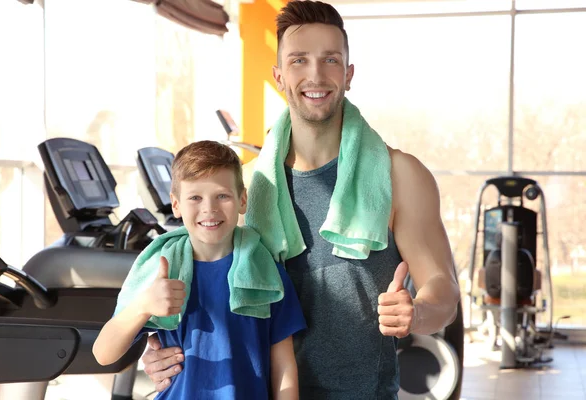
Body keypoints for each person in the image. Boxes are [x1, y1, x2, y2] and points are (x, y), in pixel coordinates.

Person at [141, 1, 460, 399]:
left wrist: (417, 311)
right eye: (298, 60)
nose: (315, 74)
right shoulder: (248, 187)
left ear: (348, 74)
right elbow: (214, 290)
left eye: (330, 60)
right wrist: (162, 352)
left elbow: (443, 290)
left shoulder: (399, 175)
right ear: (278, 76)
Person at [93, 141, 306, 399]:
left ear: (242, 200)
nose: (209, 208)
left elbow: (283, 365)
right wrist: (143, 305)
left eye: (222, 195)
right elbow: (103, 354)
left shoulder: (266, 274)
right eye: (195, 197)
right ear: (176, 205)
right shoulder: (161, 272)